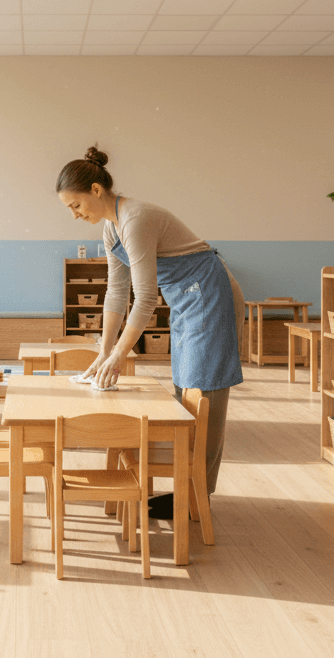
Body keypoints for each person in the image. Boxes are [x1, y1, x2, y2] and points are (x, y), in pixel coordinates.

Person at [56, 146, 244, 519]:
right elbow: (116, 292)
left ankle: (197, 499)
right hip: (187, 301)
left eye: (75, 206)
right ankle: (186, 491)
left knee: (203, 394)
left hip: (209, 293)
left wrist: (118, 357)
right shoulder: (111, 229)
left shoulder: (134, 219)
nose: (75, 215)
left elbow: (144, 301)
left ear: (95, 190)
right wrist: (103, 349)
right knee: (185, 389)